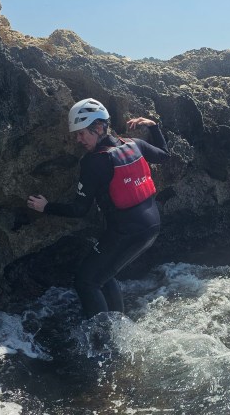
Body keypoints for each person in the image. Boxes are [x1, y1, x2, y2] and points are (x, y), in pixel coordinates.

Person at [26, 98, 169, 318]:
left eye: (82, 133)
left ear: (100, 127)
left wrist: (46, 207)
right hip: (152, 227)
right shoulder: (134, 144)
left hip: (125, 232)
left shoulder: (93, 162)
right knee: (103, 274)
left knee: (86, 281)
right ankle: (116, 325)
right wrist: (153, 127)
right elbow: (164, 155)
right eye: (76, 134)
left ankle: (102, 340)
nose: (78, 139)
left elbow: (79, 209)